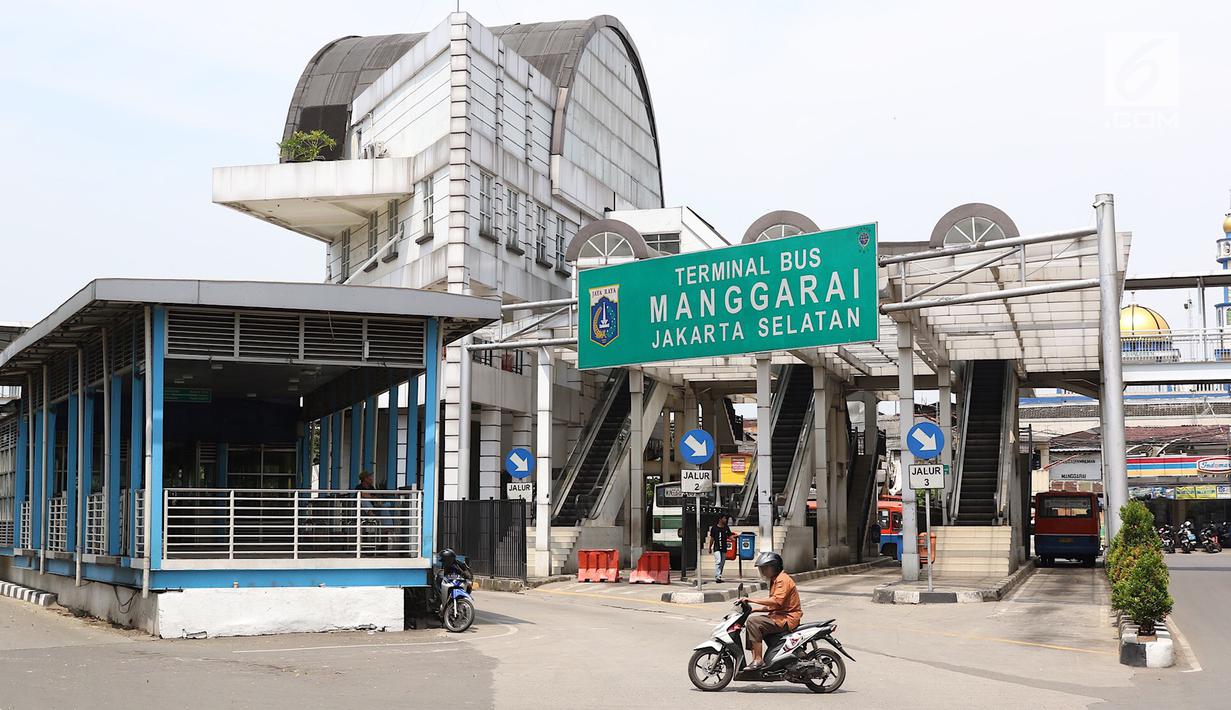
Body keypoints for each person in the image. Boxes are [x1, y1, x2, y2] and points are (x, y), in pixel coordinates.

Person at [739, 551, 801, 670]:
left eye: (765, 568)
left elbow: (776, 601)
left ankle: (758, 660)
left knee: (753, 622)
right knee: (751, 621)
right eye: (762, 568)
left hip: (787, 619)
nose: (763, 571)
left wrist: (751, 599)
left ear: (774, 567)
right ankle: (755, 660)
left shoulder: (782, 580)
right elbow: (775, 605)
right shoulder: (775, 579)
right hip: (779, 616)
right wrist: (755, 610)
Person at [707, 514, 733, 583]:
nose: (725, 520)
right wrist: (709, 547)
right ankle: (717, 577)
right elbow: (712, 538)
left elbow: (729, 535)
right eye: (724, 518)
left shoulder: (726, 528)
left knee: (722, 562)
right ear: (720, 519)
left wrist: (735, 539)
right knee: (718, 561)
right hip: (716, 547)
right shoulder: (714, 528)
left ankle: (719, 575)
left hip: (724, 548)